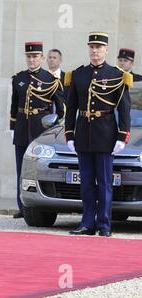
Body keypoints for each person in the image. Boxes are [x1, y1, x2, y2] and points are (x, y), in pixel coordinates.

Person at [66, 32, 132, 237]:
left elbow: (124, 109)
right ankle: (87, 223)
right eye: (92, 47)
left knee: (104, 183)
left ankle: (104, 224)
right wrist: (69, 134)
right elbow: (71, 107)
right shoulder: (78, 74)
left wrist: (122, 136)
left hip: (106, 135)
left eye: (99, 47)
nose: (95, 50)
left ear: (106, 50)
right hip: (84, 134)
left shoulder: (117, 75)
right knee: (86, 182)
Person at [10, 42, 65, 219]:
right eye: (29, 57)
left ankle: (39, 205)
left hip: (41, 129)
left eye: (35, 57)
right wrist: (12, 127)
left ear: (41, 58)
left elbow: (61, 107)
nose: (32, 60)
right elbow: (13, 106)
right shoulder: (18, 78)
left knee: (38, 168)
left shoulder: (51, 80)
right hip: (21, 128)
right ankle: (22, 206)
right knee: (21, 169)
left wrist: (55, 125)